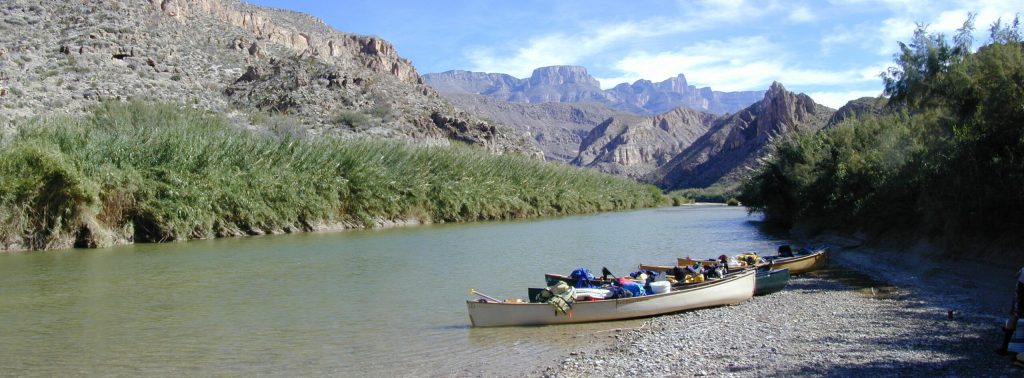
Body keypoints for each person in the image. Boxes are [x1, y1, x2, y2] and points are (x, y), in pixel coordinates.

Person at [997, 266, 1024, 355]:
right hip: (1022, 285)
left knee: (1016, 314)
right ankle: (1005, 346)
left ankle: (1007, 346)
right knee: (1016, 314)